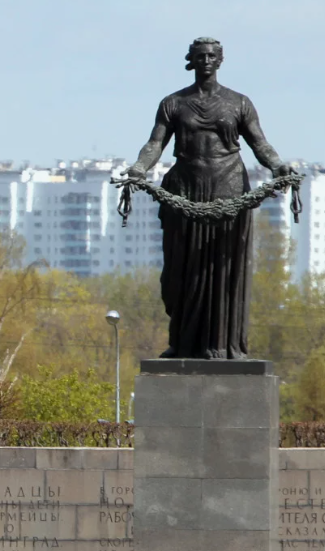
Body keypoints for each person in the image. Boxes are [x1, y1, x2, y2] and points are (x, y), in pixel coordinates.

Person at [123, 37, 291, 360]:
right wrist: (139, 167)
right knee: (181, 270)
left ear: (221, 60)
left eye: (212, 55)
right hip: (185, 191)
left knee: (221, 268)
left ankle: (223, 344)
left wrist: (278, 165)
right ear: (191, 60)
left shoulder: (239, 103)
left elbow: (260, 143)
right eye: (200, 56)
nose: (207, 60)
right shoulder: (173, 103)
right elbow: (155, 143)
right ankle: (182, 343)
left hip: (228, 190)